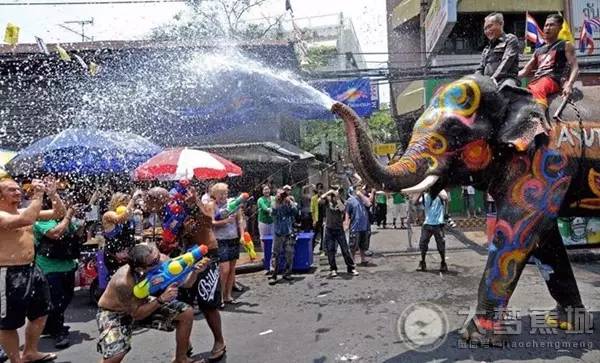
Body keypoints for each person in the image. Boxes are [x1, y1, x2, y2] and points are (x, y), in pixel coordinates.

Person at [96, 244, 205, 363]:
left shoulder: (161, 259)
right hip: (115, 312)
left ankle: (181, 358)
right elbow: (136, 315)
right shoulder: (124, 282)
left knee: (186, 313)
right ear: (140, 269)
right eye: (154, 262)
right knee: (116, 355)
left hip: (143, 303)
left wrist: (195, 272)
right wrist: (161, 299)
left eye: (158, 257)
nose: (160, 262)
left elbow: (186, 284)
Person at [0, 177, 66, 363]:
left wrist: (53, 194)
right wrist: (38, 195)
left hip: (32, 268)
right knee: (8, 323)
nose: (18, 192)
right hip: (8, 273)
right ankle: (16, 360)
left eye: (18, 189)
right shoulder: (3, 215)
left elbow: (58, 213)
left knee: (41, 312)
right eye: (11, 190)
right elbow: (26, 219)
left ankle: (30, 351)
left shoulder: (24, 210)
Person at [34, 199, 84, 349]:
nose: (63, 206)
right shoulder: (41, 219)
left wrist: (80, 221)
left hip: (67, 265)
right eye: (59, 204)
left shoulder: (61, 218)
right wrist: (68, 216)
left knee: (67, 297)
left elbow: (75, 232)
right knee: (57, 301)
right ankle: (58, 331)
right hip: (49, 268)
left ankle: (49, 325)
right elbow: (56, 233)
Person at [519, 14, 579, 110]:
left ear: (559, 28)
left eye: (551, 25)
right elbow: (525, 70)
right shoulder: (538, 50)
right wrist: (510, 76)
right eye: (546, 25)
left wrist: (569, 84)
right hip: (536, 81)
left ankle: (539, 120)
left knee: (539, 87)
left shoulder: (565, 45)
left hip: (554, 80)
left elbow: (575, 67)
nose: (547, 28)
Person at [211, 183, 245, 305]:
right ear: (214, 195)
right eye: (220, 194)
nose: (223, 196)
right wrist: (225, 221)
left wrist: (242, 235)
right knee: (224, 269)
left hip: (234, 238)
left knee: (231, 269)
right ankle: (219, 297)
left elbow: (240, 220)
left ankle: (228, 295)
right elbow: (212, 222)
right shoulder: (213, 205)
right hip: (221, 239)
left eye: (225, 193)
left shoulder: (233, 203)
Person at [320, 187, 357, 277]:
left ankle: (351, 268)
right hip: (329, 229)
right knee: (330, 250)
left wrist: (337, 198)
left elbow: (343, 210)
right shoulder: (327, 201)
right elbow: (319, 200)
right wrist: (329, 192)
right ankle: (333, 269)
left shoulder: (341, 201)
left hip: (339, 229)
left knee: (345, 249)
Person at [475, 12, 520, 88]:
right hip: (488, 83)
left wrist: (493, 79)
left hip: (507, 79)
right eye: (485, 29)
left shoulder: (510, 39)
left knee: (506, 89)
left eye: (490, 26)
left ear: (501, 24)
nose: (487, 31)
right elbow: (480, 68)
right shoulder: (486, 49)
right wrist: (475, 80)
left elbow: (506, 61)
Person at [268, 188, 299, 285]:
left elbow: (295, 212)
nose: (281, 196)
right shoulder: (274, 202)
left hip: (288, 232)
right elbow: (273, 212)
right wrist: (277, 202)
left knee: (289, 254)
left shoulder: (288, 202)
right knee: (275, 254)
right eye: (279, 194)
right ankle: (273, 275)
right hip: (278, 233)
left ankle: (287, 273)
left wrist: (289, 201)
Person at [417, 189, 449, 273]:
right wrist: (421, 192)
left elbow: (446, 198)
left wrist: (435, 190)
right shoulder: (425, 194)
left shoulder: (441, 191)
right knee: (422, 243)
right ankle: (422, 262)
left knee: (441, 245)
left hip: (438, 223)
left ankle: (443, 263)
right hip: (427, 223)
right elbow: (416, 202)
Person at [344, 187, 372, 266]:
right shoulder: (351, 200)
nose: (363, 191)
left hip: (364, 226)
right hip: (355, 226)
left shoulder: (364, 199)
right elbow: (347, 212)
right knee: (353, 245)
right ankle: (352, 260)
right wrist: (346, 223)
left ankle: (363, 259)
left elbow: (369, 203)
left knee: (363, 245)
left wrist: (361, 196)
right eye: (361, 190)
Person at [256, 184, 274, 273]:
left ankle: (272, 261)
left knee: (273, 241)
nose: (266, 191)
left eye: (268, 189)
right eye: (265, 190)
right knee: (264, 240)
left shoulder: (273, 198)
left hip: (272, 222)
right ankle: (266, 260)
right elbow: (264, 207)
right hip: (263, 222)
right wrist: (270, 209)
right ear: (262, 191)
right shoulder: (260, 199)